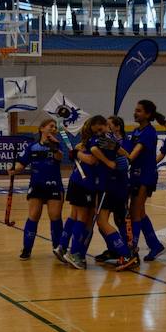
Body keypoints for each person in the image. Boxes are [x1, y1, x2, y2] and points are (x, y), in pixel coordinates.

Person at [55, 116, 108, 270]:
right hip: (84, 183)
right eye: (104, 125)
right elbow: (92, 160)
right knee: (83, 219)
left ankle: (63, 247)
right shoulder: (92, 143)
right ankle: (74, 252)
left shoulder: (83, 144)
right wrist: (77, 153)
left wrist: (77, 153)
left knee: (76, 216)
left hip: (81, 182)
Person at [9, 118, 64, 260]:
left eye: (55, 127)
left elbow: (59, 157)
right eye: (51, 126)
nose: (53, 129)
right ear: (41, 128)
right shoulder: (32, 147)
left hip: (54, 185)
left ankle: (58, 249)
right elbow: (21, 165)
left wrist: (54, 146)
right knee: (33, 216)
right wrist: (13, 170)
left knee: (55, 217)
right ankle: (27, 249)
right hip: (37, 185)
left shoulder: (57, 145)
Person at [120, 100, 166, 261]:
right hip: (135, 174)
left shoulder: (149, 132)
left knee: (136, 212)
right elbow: (126, 149)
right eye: (135, 109)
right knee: (139, 212)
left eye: (139, 110)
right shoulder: (136, 131)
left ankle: (132, 248)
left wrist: (116, 149)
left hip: (146, 175)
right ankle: (155, 245)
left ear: (147, 114)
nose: (135, 113)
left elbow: (132, 155)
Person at [94, 116, 134, 266]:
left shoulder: (113, 141)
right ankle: (115, 249)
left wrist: (113, 163)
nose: (104, 127)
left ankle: (127, 252)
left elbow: (125, 162)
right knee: (104, 222)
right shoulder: (105, 140)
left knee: (112, 221)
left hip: (116, 186)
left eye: (107, 124)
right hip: (110, 185)